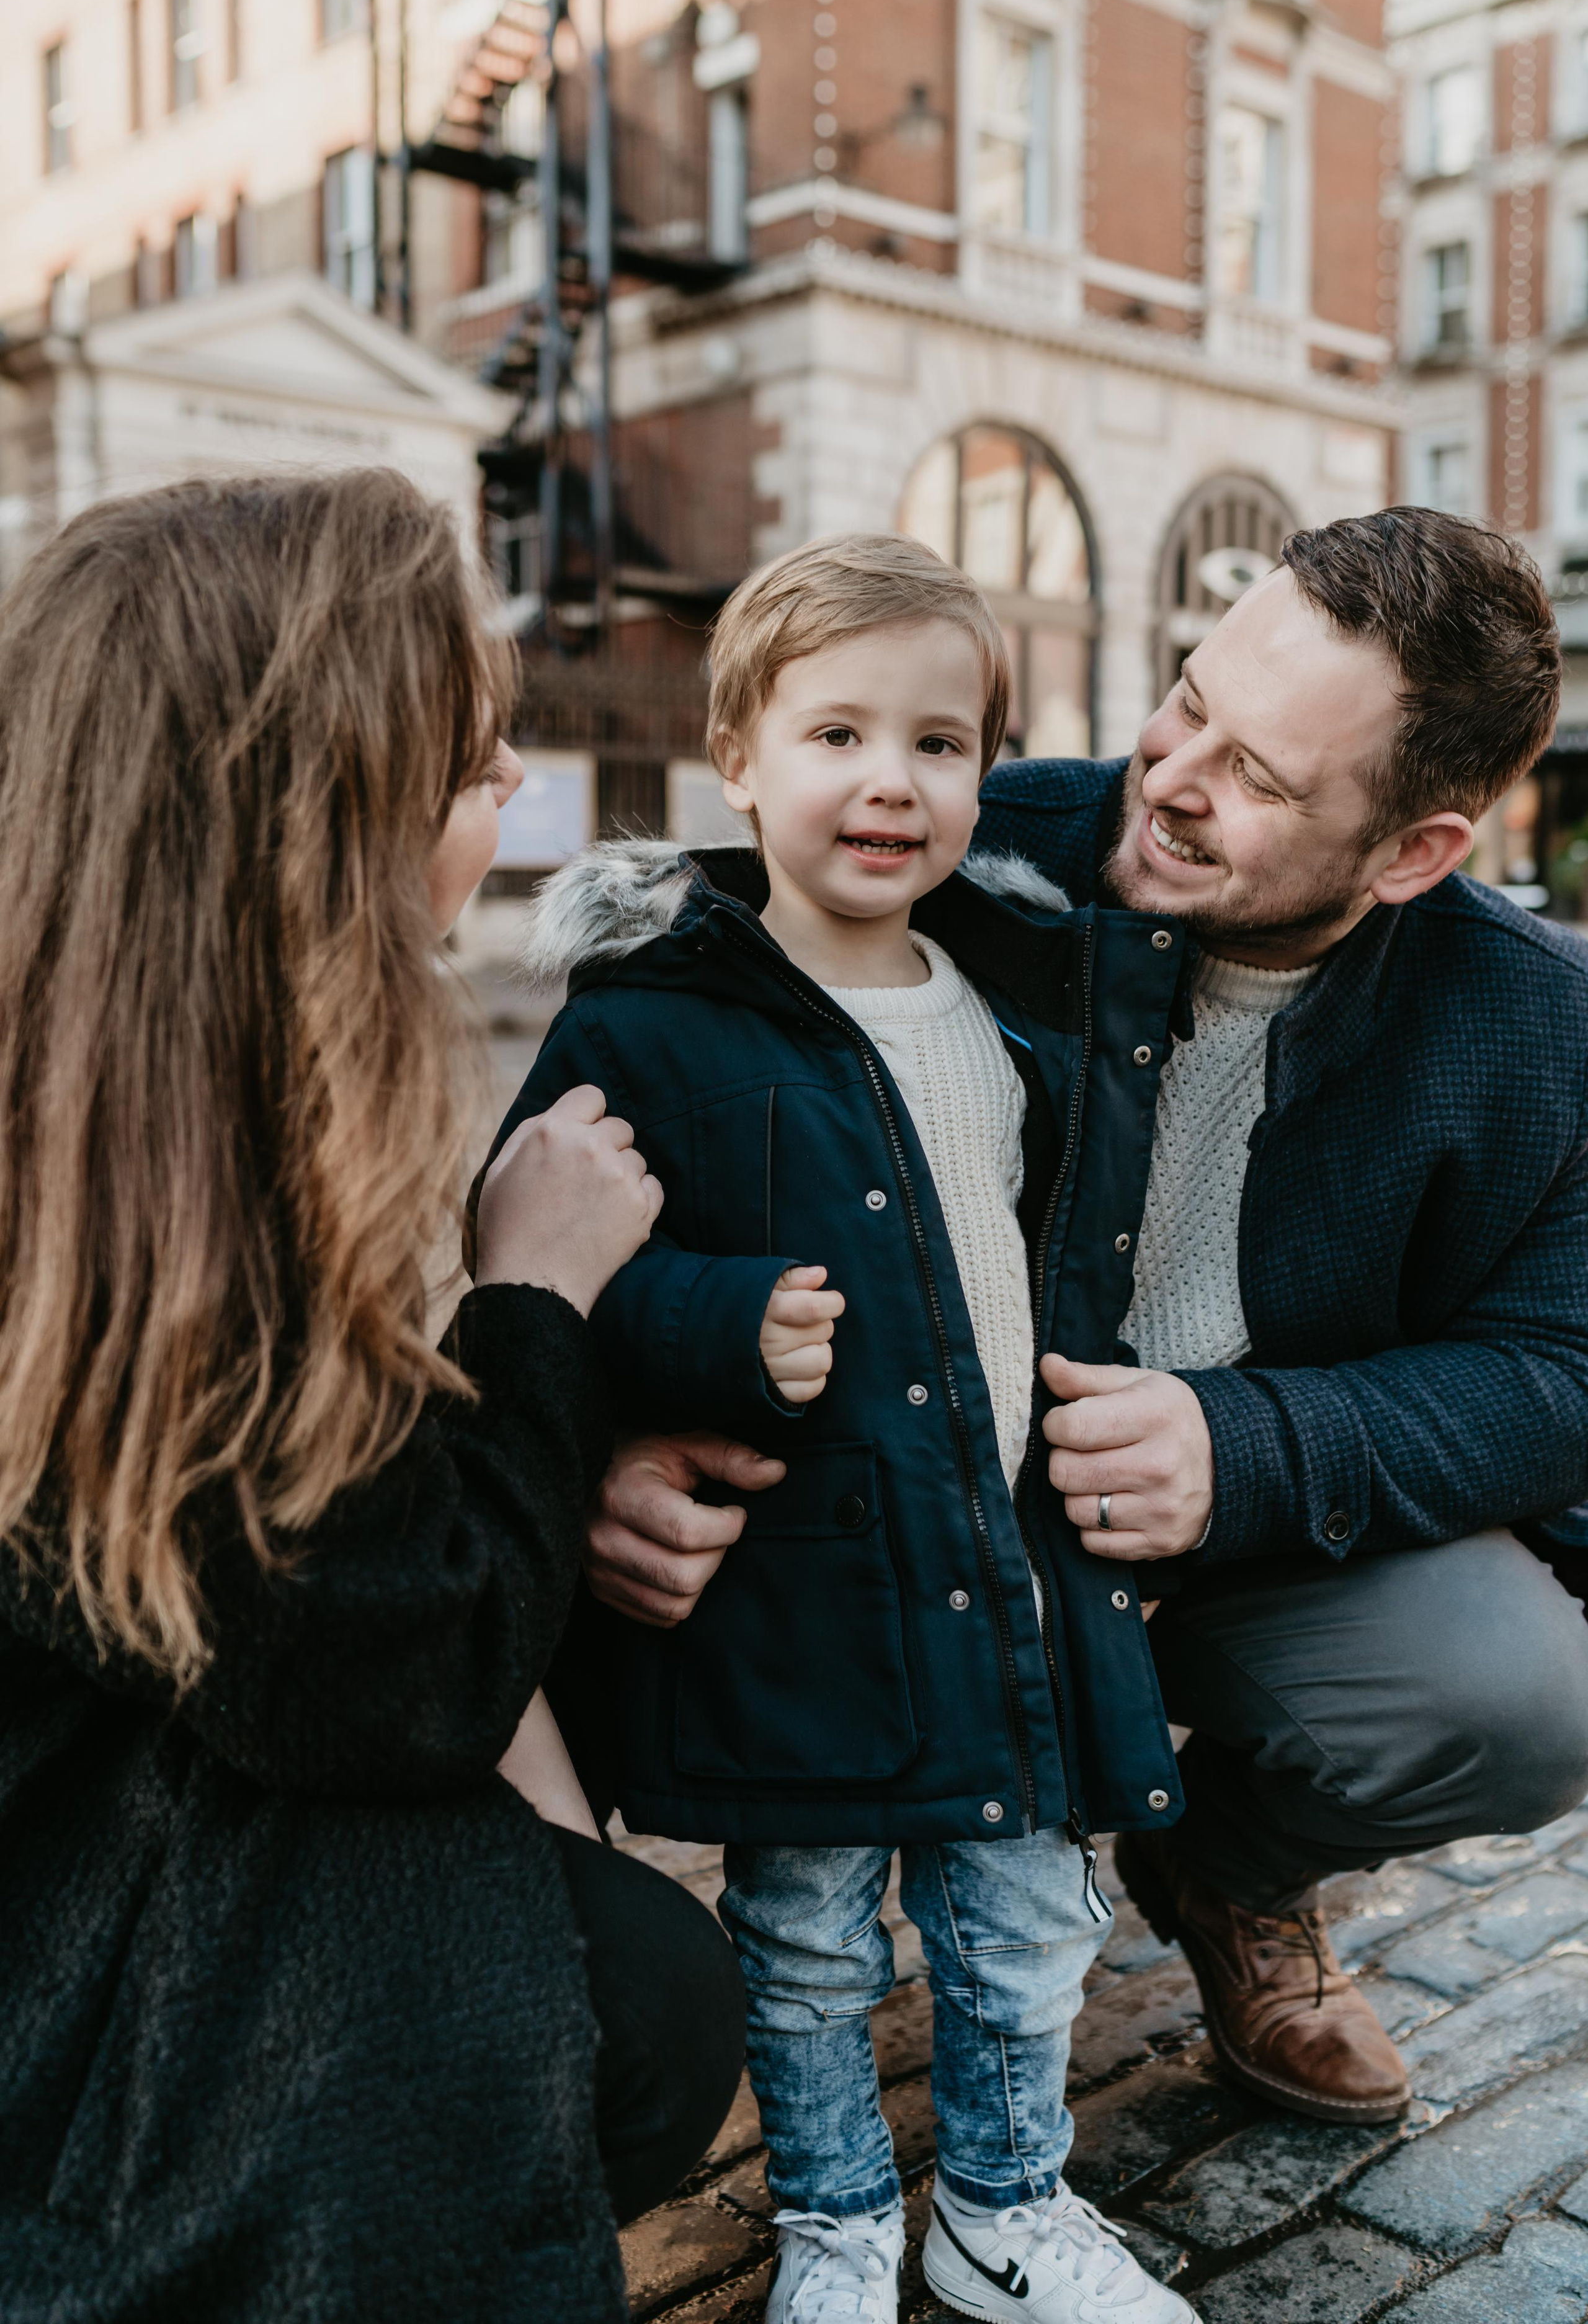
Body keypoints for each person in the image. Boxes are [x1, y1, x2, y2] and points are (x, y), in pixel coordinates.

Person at [584, 506, 1588, 2136]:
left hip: (1231, 1553)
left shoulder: (1542, 1026)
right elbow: (648, 1116)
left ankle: (1230, 1876)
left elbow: (1562, 1373)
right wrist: (613, 1442)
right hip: (892, 1515)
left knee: (1535, 1705)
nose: (1175, 776)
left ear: (1416, 853)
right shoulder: (974, 844)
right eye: (1189, 697)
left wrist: (1248, 1447)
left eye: (1262, 776)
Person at [0, 470, 744, 2324]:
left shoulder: (114, 1080)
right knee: (631, 2005)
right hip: (76, 1926)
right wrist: (534, 1297)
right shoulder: (165, 1202)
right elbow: (381, 1670)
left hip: (121, 1766)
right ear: (316, 815)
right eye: (474, 763)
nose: (510, 795)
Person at [497, 533, 1202, 2324]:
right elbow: (539, 1263)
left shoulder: (1032, 998)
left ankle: (1003, 2205)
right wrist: (713, 1326)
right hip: (800, 1596)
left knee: (1025, 1925)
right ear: (739, 755)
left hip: (1008, 1561)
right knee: (806, 1938)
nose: (891, 781)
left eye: (942, 742)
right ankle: (827, 2217)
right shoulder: (648, 1016)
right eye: (836, 736)